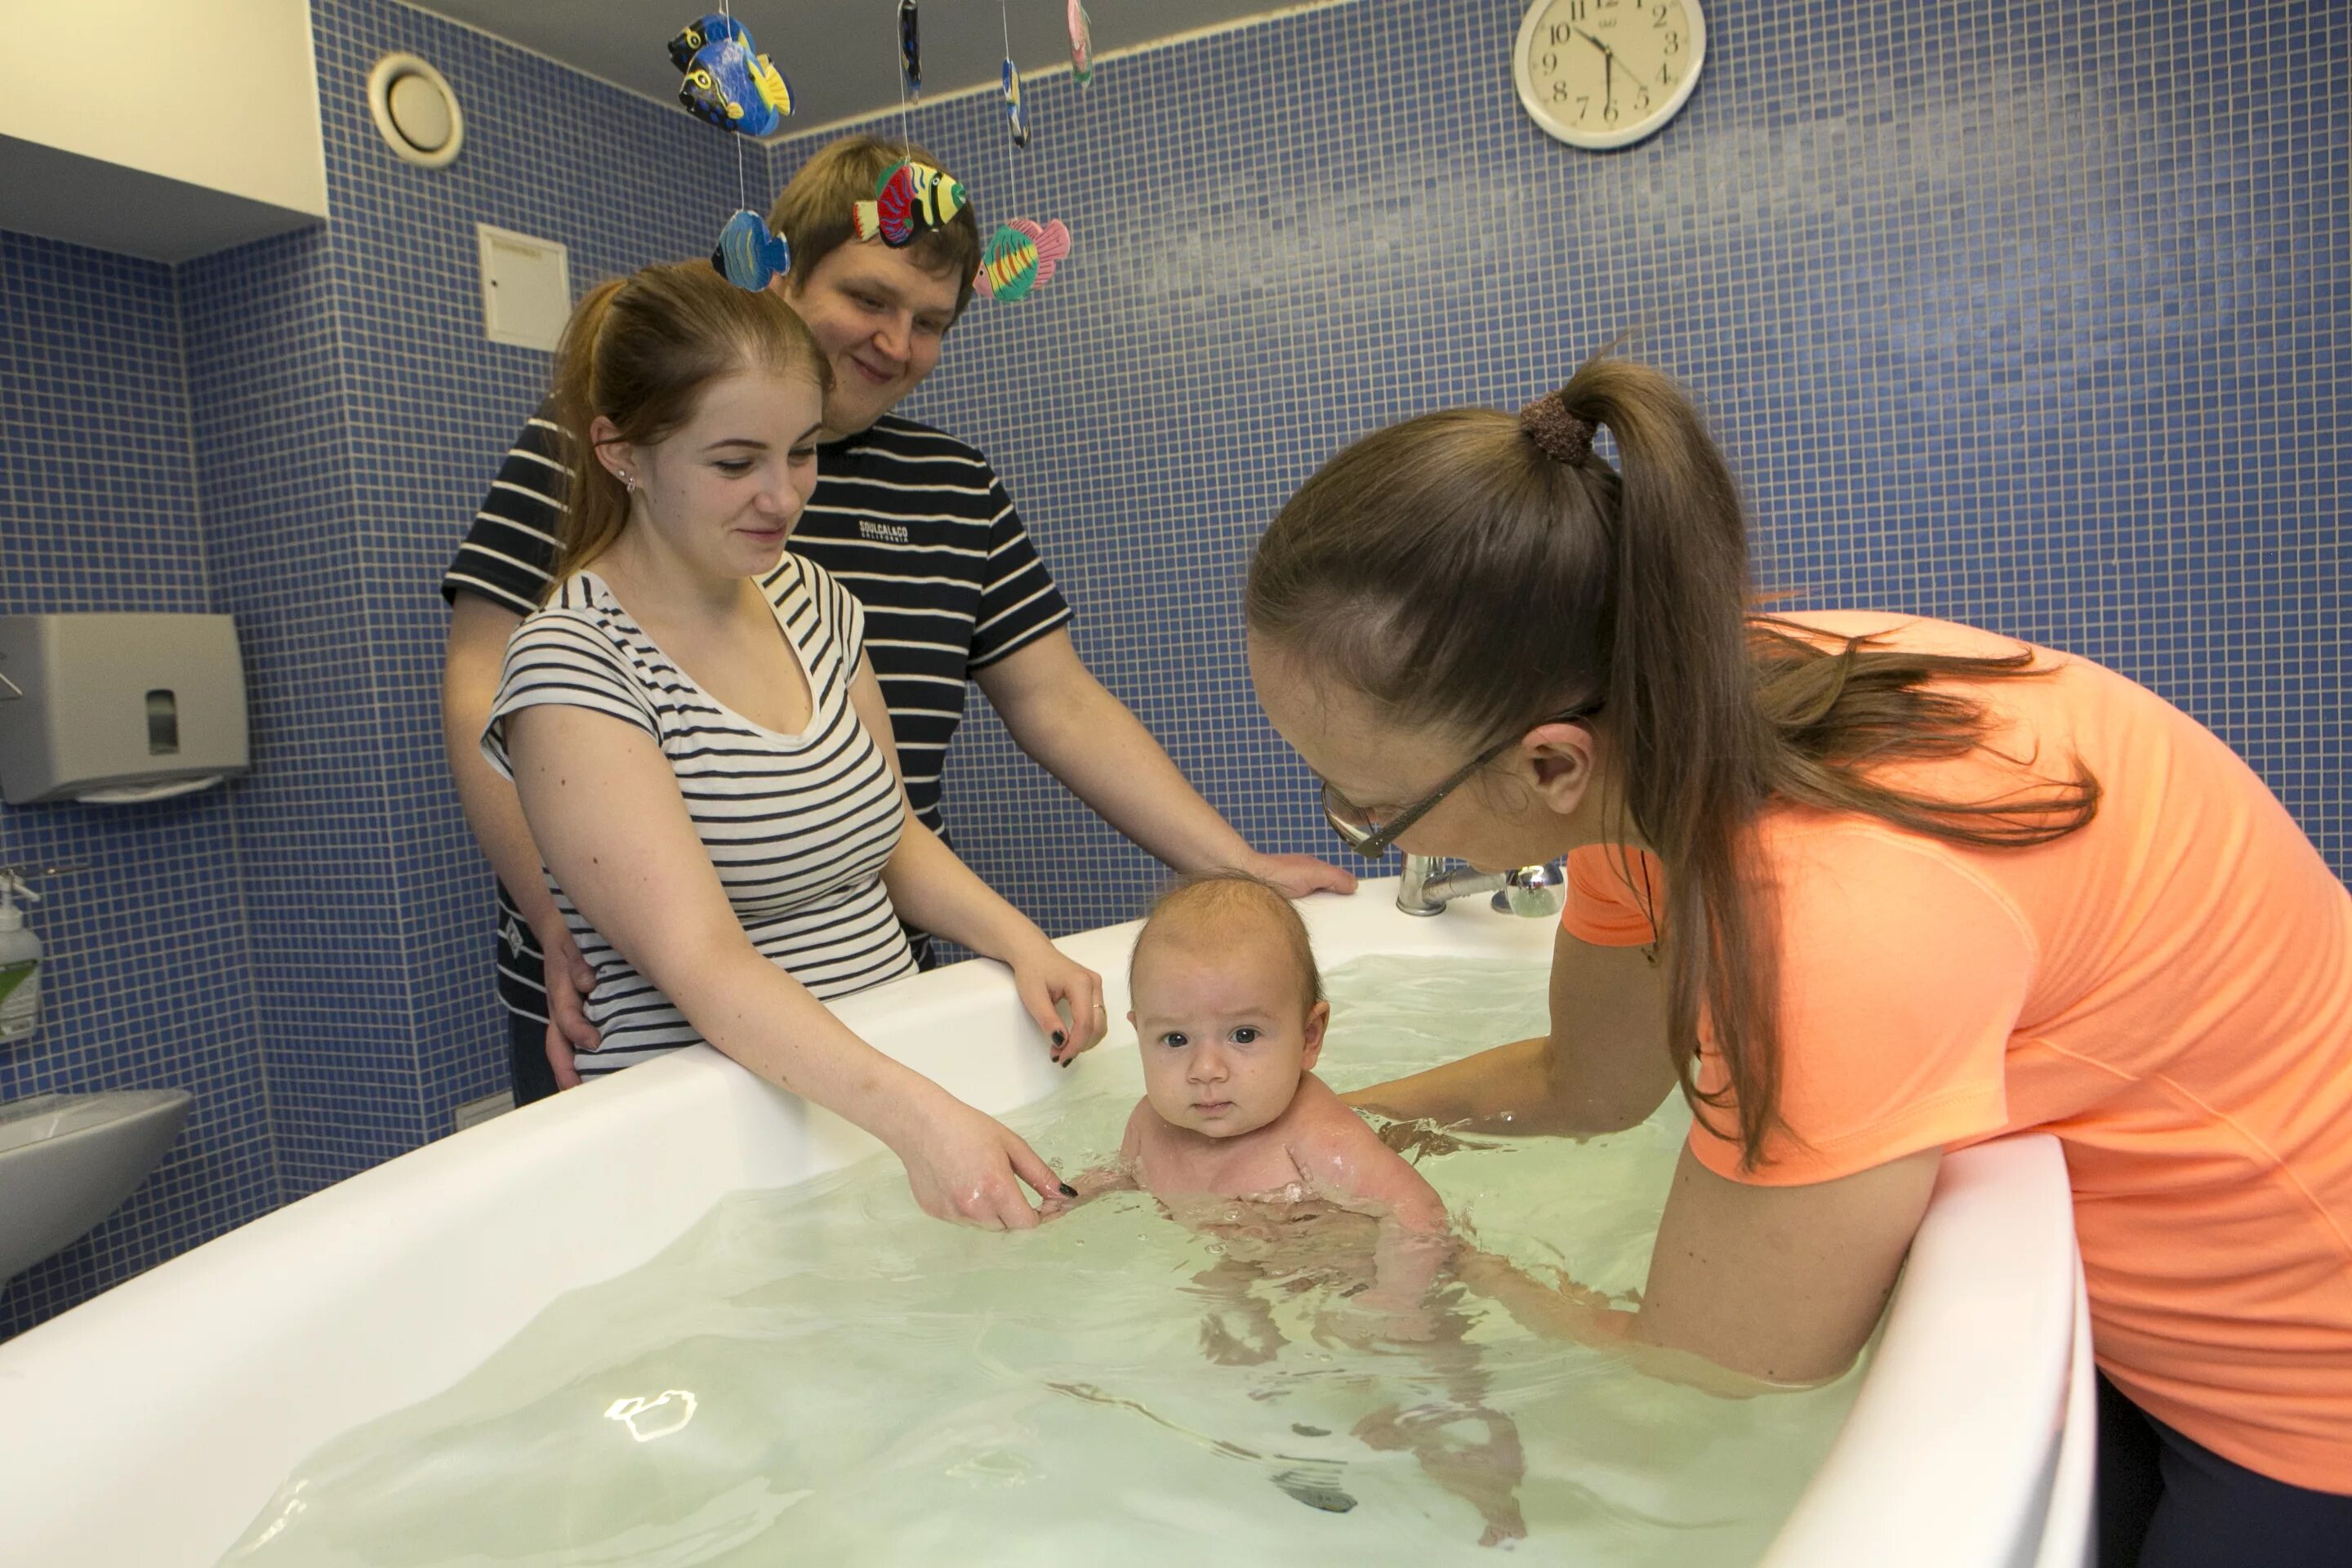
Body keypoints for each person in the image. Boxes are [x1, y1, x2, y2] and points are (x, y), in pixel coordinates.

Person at [1242, 351, 2352, 1566]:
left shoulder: (1833, 915)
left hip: (2305, 1380)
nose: (1348, 829)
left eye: (1364, 807)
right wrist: (1326, 1132)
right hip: (2142, 1295)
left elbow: (1715, 1372)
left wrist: (1400, 1238)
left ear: (1548, 765)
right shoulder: (1674, 719)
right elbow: (1591, 1081)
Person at [443, 135, 1350, 1106]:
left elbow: (1057, 702)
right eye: (870, 300)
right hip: (648, 998)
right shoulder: (594, 471)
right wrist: (556, 913)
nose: (895, 342)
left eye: (930, 321)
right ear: (781, 271)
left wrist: (1235, 868)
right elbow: (485, 689)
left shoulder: (926, 509)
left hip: (863, 966)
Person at [484, 260, 1103, 1230]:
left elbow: (889, 835)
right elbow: (705, 967)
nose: (782, 496)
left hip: (876, 1089)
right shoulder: (573, 667)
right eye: (735, 464)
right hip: (714, 1155)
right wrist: (923, 1120)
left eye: (802, 453)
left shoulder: (816, 601)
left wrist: (1024, 946)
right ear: (622, 452)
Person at [1049, 871, 1526, 1544]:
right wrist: (1072, 1194)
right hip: (1251, 1267)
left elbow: (1416, 1213)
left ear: (1309, 1036)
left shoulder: (1314, 1134)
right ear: (1139, 1034)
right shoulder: (1151, 1124)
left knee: (1441, 1385)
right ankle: (1287, 1444)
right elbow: (1127, 1175)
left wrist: (1396, 1300)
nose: (1206, 1070)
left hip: (1363, 1272)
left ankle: (1493, 1503)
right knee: (1235, 1348)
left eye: (1243, 1036)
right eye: (1175, 1041)